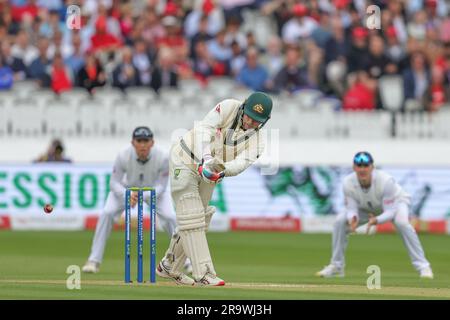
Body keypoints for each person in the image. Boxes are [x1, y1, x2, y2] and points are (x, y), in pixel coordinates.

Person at [156, 92, 273, 286]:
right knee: (192, 215)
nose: (251, 122)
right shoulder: (228, 107)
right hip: (184, 159)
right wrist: (206, 158)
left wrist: (222, 171)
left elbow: (241, 163)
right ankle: (204, 273)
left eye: (257, 121)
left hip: (212, 171)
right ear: (244, 107)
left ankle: (169, 266)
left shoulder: (258, 141)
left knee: (198, 218)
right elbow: (204, 129)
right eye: (250, 116)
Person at [82, 127, 191, 274]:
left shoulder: (163, 156)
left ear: (152, 142)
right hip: (126, 189)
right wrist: (127, 194)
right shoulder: (123, 155)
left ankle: (187, 261)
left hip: (153, 191)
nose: (143, 145)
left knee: (171, 217)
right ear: (133, 142)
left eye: (146, 141)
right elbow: (113, 183)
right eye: (139, 141)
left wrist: (142, 196)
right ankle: (93, 260)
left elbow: (162, 186)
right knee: (107, 213)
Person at [316, 151, 434, 279]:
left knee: (402, 223)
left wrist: (376, 220)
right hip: (367, 207)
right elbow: (351, 208)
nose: (362, 169)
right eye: (359, 166)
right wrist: (353, 218)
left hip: (396, 204)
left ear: (372, 167)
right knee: (340, 221)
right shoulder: (348, 183)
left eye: (366, 166)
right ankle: (336, 266)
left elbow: (390, 211)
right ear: (354, 167)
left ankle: (423, 266)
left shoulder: (385, 181)